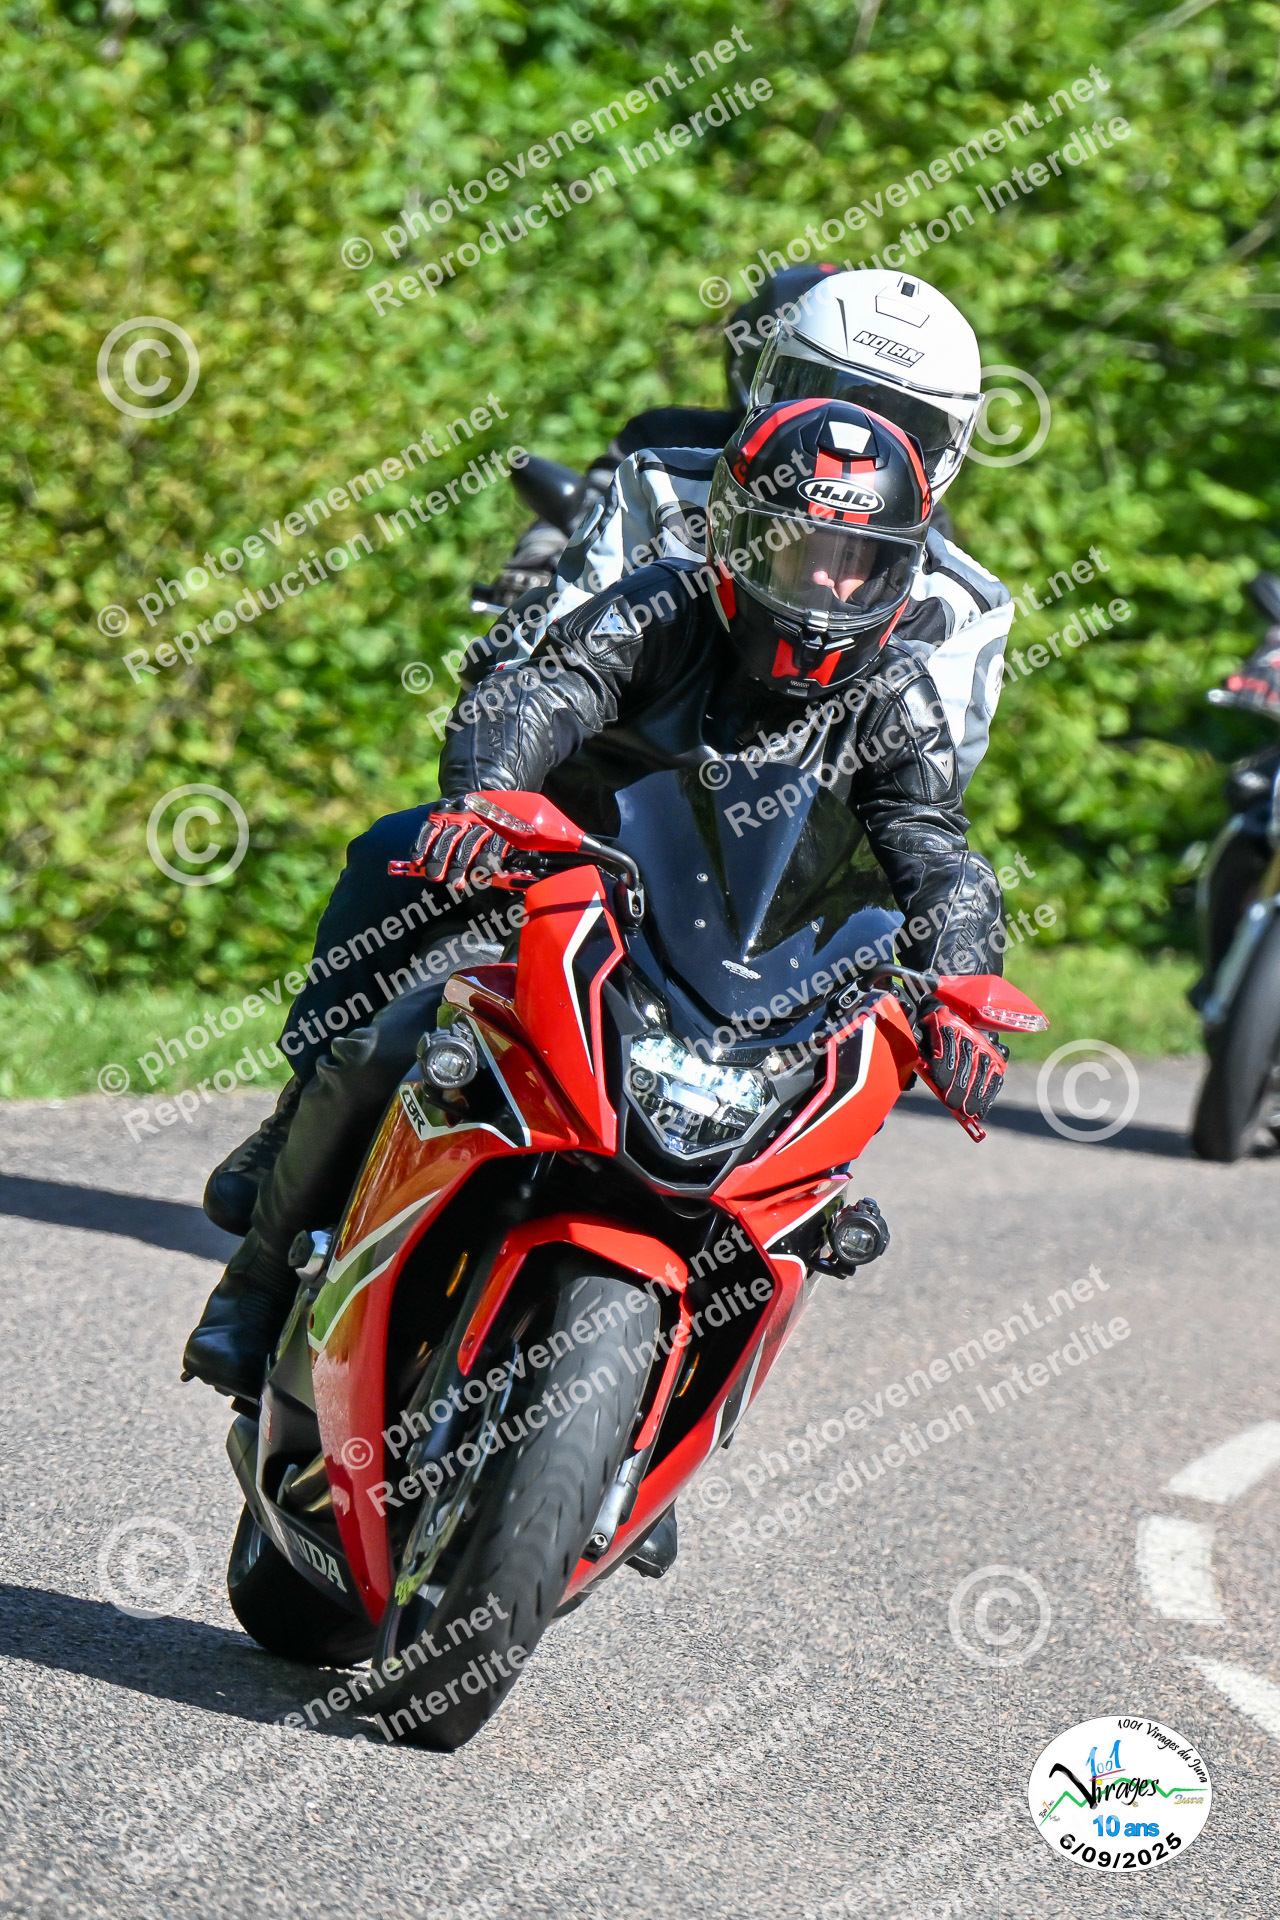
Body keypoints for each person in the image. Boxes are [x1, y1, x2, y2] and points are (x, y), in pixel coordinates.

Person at [183, 399, 1006, 1403]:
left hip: (744, 967)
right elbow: (545, 691)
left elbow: (933, 846)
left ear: (900, 572)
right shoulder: (659, 610)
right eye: (802, 553)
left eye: (859, 563)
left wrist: (963, 986)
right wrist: (489, 799)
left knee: (806, 1180)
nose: (827, 586)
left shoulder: (896, 698)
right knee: (385, 1010)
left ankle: (682, 1376)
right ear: (738, 538)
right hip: (561, 892)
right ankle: (256, 1280)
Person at [464, 269, 1008, 793]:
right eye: (827, 398)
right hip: (602, 813)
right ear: (771, 381)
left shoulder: (964, 601)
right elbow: (549, 665)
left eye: (907, 423)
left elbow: (929, 792)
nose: (853, 443)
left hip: (798, 848)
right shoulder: (662, 488)